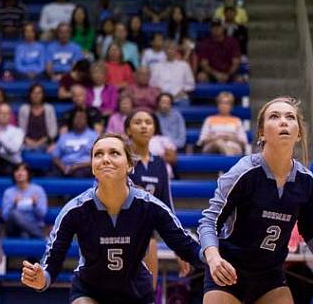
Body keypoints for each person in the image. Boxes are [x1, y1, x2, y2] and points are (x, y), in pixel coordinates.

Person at [22, 133, 201, 302]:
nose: (105, 159)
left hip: (136, 293)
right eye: (98, 154)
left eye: (114, 153)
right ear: (92, 167)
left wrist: (214, 258)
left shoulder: (149, 206)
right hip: (89, 291)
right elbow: (53, 259)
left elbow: (185, 245)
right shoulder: (75, 210)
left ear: (130, 165)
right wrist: (42, 279)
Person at [199, 97, 313, 304]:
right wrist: (213, 258)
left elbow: (312, 231)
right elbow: (209, 222)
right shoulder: (244, 172)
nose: (284, 121)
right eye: (275, 116)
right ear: (261, 132)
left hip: (270, 277)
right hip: (228, 270)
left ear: (299, 134)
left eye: (290, 117)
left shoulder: (306, 182)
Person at [126, 109, 176, 290]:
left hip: (147, 236)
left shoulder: (159, 163)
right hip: (119, 232)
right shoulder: (121, 160)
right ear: (128, 130)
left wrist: (178, 246)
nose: (144, 126)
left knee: (148, 293)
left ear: (154, 129)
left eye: (148, 122)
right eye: (138, 122)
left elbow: (166, 206)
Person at [2, 163, 48, 238]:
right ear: (14, 174)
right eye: (17, 171)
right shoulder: (8, 192)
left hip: (34, 225)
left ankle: (37, 235)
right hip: (14, 229)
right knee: (14, 213)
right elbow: (5, 217)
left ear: (28, 174)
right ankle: (42, 236)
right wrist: (14, 205)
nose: (20, 173)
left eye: (23, 170)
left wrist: (35, 204)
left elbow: (42, 214)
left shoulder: (38, 190)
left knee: (24, 235)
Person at [197, 92, 247, 156]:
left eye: (226, 103)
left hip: (233, 145)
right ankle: (229, 156)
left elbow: (243, 142)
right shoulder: (209, 119)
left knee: (231, 147)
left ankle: (228, 154)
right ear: (218, 105)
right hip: (212, 146)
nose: (223, 105)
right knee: (219, 142)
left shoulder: (237, 120)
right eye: (221, 103)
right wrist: (216, 138)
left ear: (231, 106)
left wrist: (230, 138)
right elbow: (202, 140)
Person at [52, 108, 98, 178]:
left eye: (82, 118)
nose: (79, 120)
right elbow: (55, 157)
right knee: (52, 174)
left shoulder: (93, 136)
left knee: (79, 173)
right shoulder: (64, 136)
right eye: (77, 117)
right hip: (64, 166)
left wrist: (77, 166)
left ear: (87, 120)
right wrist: (62, 167)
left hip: (84, 167)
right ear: (72, 120)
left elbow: (98, 158)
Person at [19, 82, 58, 150]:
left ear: (43, 95)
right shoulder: (24, 109)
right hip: (27, 143)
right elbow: (21, 130)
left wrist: (41, 142)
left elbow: (53, 131)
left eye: (39, 93)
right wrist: (27, 140)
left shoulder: (49, 108)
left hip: (46, 143)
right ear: (30, 94)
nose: (36, 95)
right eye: (34, 93)